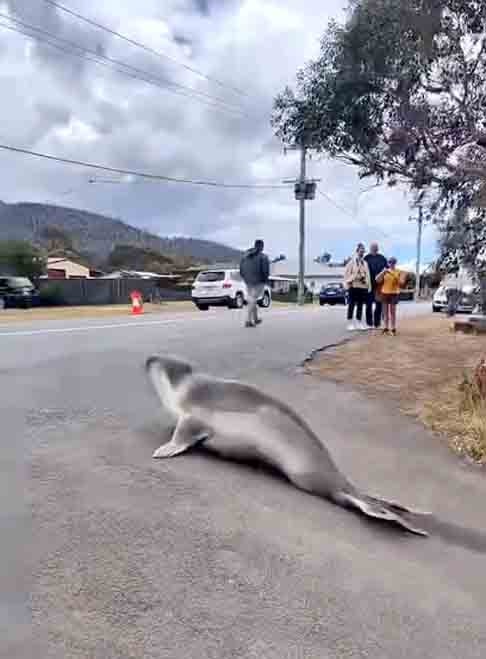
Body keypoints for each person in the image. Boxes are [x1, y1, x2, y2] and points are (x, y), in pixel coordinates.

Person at [239, 239, 270, 328]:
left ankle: (255, 319)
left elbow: (241, 269)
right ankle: (248, 320)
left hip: (248, 281)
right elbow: (265, 271)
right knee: (252, 299)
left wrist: (245, 278)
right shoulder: (263, 257)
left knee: (252, 299)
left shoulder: (245, 256)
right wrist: (265, 280)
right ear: (261, 246)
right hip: (258, 281)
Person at [344, 243, 372, 331]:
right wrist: (347, 284)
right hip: (354, 285)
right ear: (357, 251)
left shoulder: (365, 263)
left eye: (363, 250)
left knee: (360, 305)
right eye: (361, 250)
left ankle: (359, 322)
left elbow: (368, 275)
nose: (362, 252)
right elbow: (346, 274)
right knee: (352, 304)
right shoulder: (352, 262)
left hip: (363, 286)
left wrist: (369, 286)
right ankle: (350, 323)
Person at [376, 257, 407, 335]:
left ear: (395, 263)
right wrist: (383, 272)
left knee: (392, 312)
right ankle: (385, 328)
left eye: (393, 262)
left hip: (394, 293)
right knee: (385, 312)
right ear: (388, 263)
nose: (391, 264)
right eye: (390, 262)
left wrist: (394, 275)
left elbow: (402, 283)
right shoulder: (385, 271)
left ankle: (393, 329)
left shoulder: (399, 271)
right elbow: (377, 280)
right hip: (384, 293)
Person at [364, 241, 388, 329]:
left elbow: (386, 270)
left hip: (379, 285)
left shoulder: (382, 258)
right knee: (368, 305)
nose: (374, 248)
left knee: (379, 304)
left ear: (377, 248)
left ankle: (377, 323)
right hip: (369, 285)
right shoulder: (366, 258)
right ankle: (369, 323)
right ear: (370, 248)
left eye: (376, 247)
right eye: (373, 247)